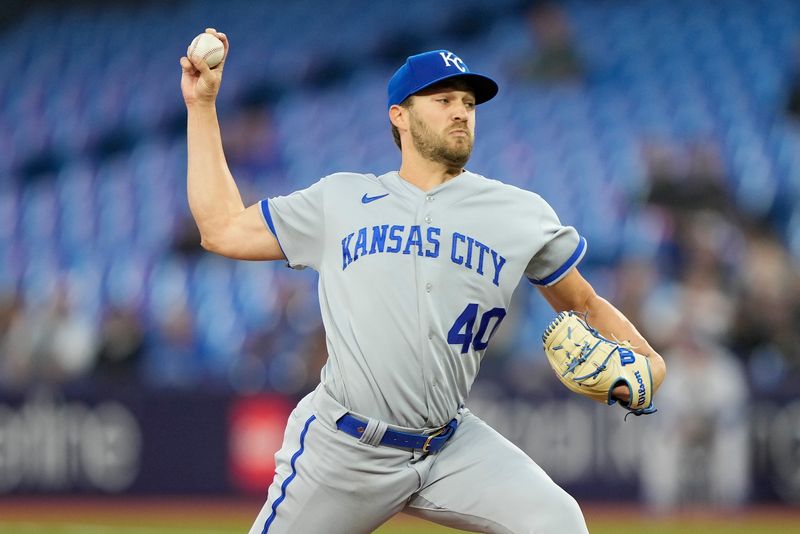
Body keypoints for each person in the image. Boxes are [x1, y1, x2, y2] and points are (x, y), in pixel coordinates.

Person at [180, 29, 666, 534]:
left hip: (450, 445)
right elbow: (222, 229)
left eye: (468, 102)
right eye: (442, 100)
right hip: (345, 448)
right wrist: (202, 107)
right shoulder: (341, 200)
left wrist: (651, 363)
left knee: (560, 522)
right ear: (400, 116)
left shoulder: (518, 213)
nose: (461, 111)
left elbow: (583, 302)